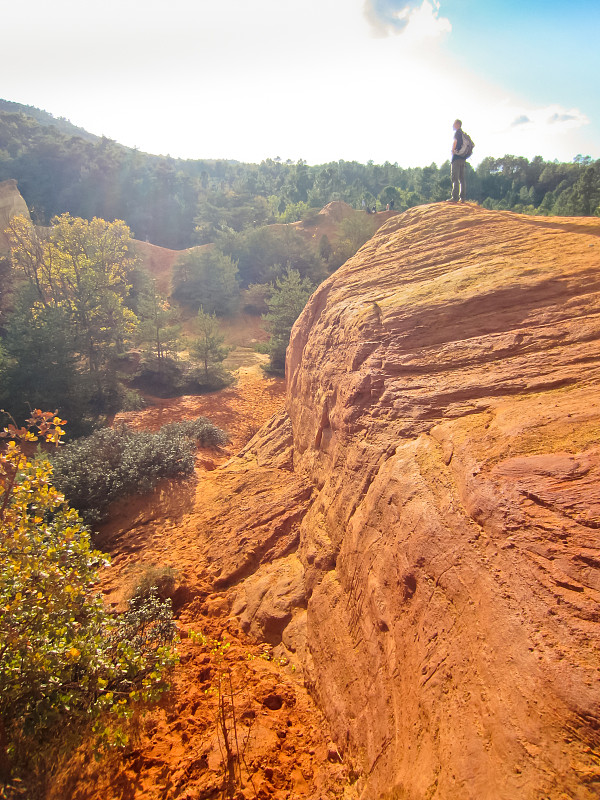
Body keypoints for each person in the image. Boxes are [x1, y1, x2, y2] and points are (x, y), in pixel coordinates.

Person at [449, 119, 466, 202]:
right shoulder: (463, 134)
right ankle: (462, 198)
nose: (453, 126)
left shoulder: (457, 133)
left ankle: (455, 197)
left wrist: (453, 151)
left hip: (456, 158)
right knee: (462, 178)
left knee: (455, 178)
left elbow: (455, 142)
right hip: (463, 159)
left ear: (457, 124)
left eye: (454, 124)